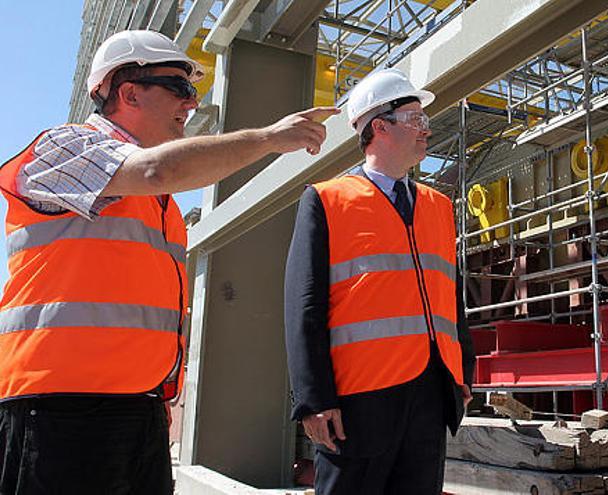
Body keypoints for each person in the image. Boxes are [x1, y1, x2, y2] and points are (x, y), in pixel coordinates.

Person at [0, 30, 337, 494]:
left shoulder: (158, 206)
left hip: (137, 412)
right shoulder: (63, 148)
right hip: (59, 412)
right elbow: (158, 169)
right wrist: (268, 138)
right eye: (179, 88)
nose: (191, 104)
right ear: (129, 91)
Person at [284, 68, 475, 495]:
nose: (426, 129)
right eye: (415, 119)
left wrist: (462, 373)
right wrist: (314, 399)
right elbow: (304, 307)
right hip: (357, 402)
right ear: (379, 127)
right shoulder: (327, 200)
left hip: (430, 392)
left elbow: (451, 298)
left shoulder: (438, 207)